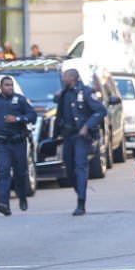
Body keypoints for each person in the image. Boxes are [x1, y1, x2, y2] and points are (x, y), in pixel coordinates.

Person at [0, 76, 37, 215]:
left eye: (11, 85)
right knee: (4, 172)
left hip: (18, 142)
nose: (9, 87)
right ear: (1, 87)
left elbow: (32, 116)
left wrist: (18, 119)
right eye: (6, 85)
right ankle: (4, 203)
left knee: (20, 173)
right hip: (2, 143)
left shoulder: (20, 100)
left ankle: (22, 197)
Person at [54, 68, 107, 216]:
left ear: (73, 78)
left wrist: (87, 126)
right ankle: (80, 191)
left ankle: (81, 203)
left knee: (80, 167)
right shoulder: (64, 93)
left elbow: (101, 111)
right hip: (67, 136)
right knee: (69, 169)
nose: (63, 79)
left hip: (81, 137)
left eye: (65, 77)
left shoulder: (85, 92)